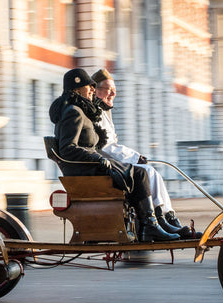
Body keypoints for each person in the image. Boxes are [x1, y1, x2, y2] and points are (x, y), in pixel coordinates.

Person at [48, 68, 179, 242]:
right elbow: (68, 148)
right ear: (77, 88)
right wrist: (98, 158)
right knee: (140, 174)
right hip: (85, 169)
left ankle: (154, 224)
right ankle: (150, 226)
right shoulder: (74, 111)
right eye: (90, 86)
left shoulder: (79, 110)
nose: (92, 90)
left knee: (139, 173)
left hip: (86, 166)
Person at [91, 69, 199, 239]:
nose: (112, 93)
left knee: (154, 173)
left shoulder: (104, 112)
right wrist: (134, 157)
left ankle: (168, 219)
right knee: (146, 172)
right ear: (95, 90)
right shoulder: (94, 113)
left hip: (115, 163)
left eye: (114, 90)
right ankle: (155, 222)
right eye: (108, 89)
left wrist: (135, 157)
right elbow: (105, 147)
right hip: (107, 165)